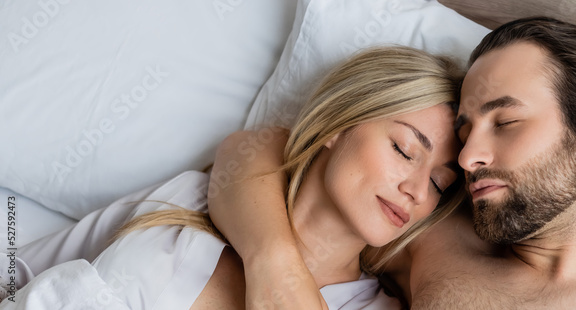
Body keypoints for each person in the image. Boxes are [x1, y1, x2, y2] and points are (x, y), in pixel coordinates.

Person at [209, 17, 576, 308]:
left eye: (506, 122)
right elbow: (262, 152)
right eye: (465, 130)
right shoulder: (441, 240)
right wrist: (275, 267)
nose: (469, 157)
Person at [2, 46, 466, 309]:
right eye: (404, 150)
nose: (416, 190)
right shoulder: (189, 199)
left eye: (440, 185)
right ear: (338, 126)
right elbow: (16, 272)